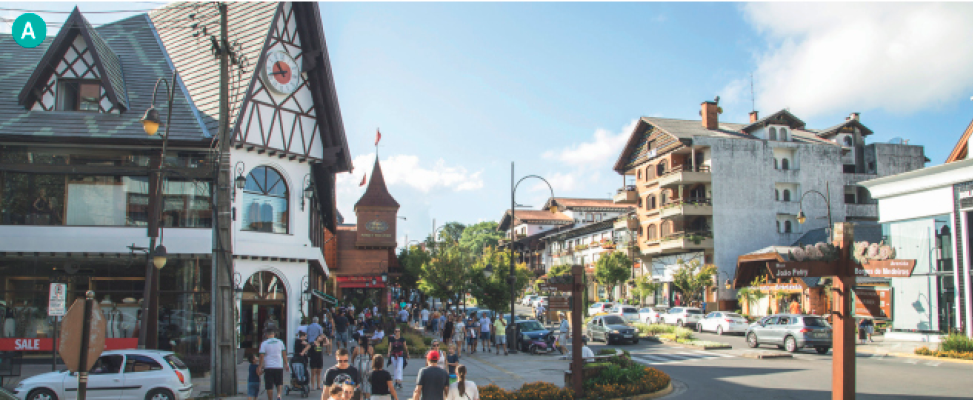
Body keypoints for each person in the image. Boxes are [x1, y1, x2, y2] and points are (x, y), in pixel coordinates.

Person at [258, 330, 289, 400]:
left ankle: (270, 398)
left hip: (268, 366)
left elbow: (261, 356)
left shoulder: (264, 343)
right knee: (279, 382)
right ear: (274, 334)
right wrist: (286, 364)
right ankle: (279, 395)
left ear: (266, 335)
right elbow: (284, 354)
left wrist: (260, 366)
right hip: (279, 365)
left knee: (269, 385)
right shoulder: (280, 342)